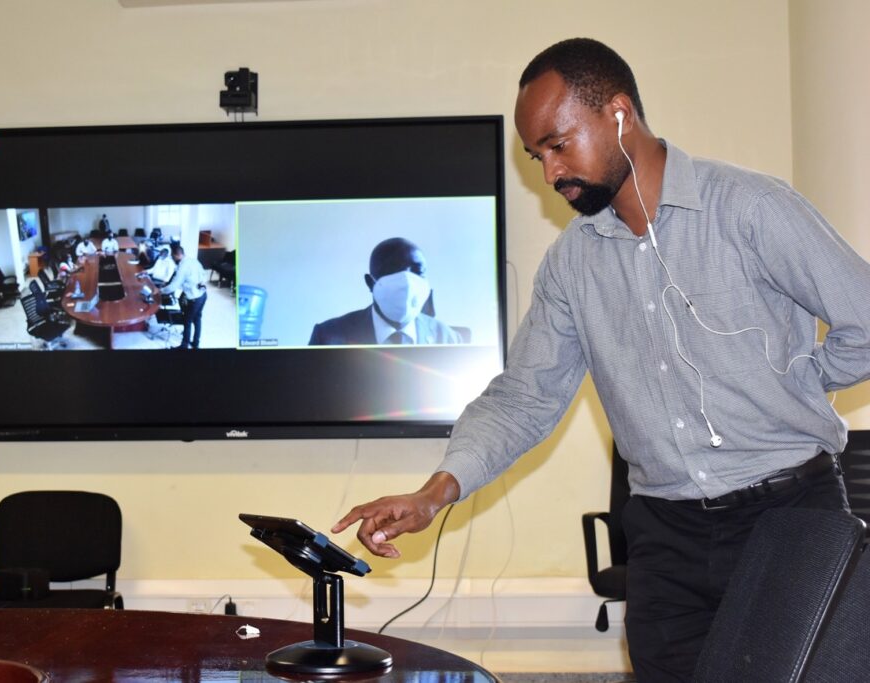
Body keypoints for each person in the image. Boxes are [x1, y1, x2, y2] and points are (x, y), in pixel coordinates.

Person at [332, 38, 870, 682]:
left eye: (559, 145)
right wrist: (433, 494)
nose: (550, 173)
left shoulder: (751, 209)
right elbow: (524, 397)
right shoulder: (570, 265)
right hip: (664, 536)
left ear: (619, 114)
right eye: (537, 157)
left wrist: (797, 381)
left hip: (787, 518)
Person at [308, 237, 463, 346]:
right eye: (392, 269)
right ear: (370, 283)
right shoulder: (327, 336)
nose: (407, 282)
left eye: (417, 271)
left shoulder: (449, 338)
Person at [160, 245, 207, 349]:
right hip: (203, 295)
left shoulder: (183, 266)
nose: (172, 259)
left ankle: (184, 346)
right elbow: (204, 275)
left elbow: (173, 286)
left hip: (194, 298)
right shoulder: (193, 260)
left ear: (176, 255)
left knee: (187, 320)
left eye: (172, 257)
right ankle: (196, 343)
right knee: (197, 319)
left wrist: (160, 291)